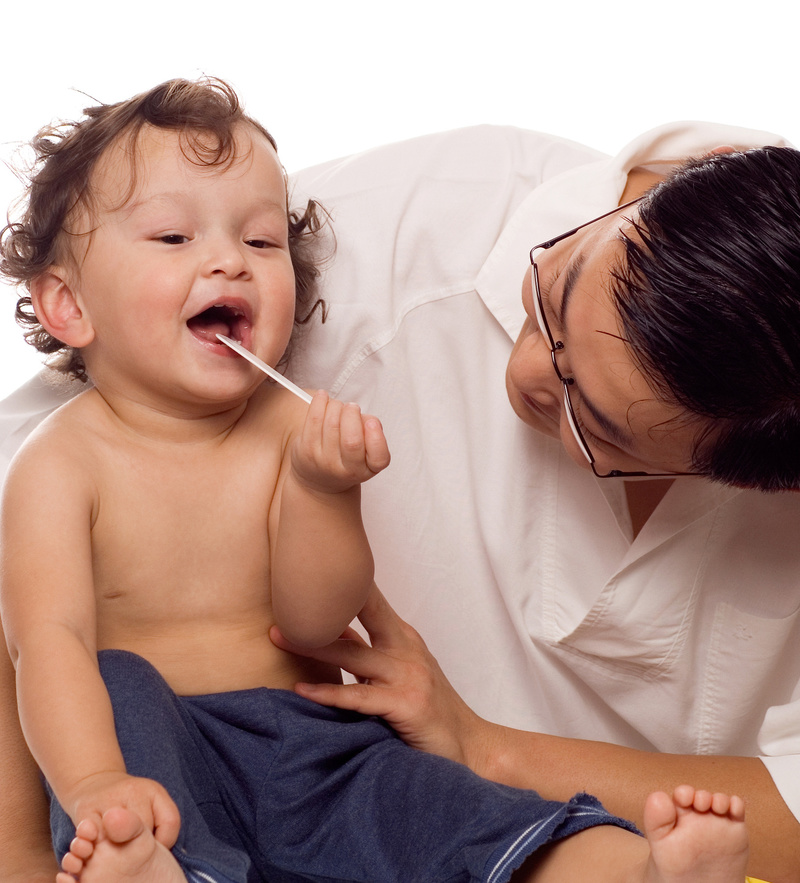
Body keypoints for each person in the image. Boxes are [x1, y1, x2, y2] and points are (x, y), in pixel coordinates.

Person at [0, 107, 797, 880]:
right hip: (154, 748)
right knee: (120, 687)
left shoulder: (285, 414)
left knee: (453, 813)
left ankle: (635, 870)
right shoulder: (375, 236)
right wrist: (47, 832)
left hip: (314, 748)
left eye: (596, 426)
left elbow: (313, 618)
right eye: (551, 294)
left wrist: (323, 489)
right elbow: (37, 634)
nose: (523, 375)